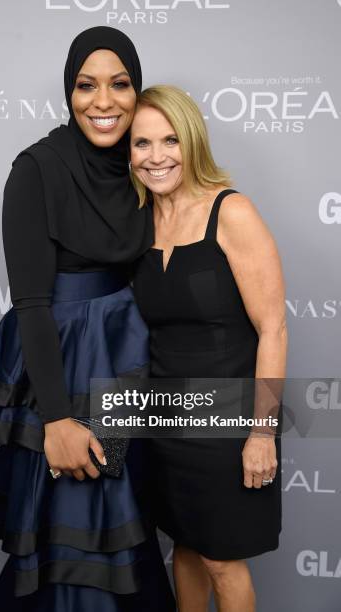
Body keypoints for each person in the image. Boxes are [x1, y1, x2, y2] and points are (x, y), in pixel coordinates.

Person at [0, 28, 175, 612]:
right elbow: (31, 304)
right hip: (64, 367)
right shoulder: (37, 169)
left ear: (138, 92)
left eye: (120, 84)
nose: (102, 101)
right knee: (71, 530)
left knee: (123, 528)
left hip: (127, 368)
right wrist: (57, 420)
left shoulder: (143, 166)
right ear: (69, 90)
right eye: (86, 85)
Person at [129, 85, 286, 612]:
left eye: (169, 140)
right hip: (165, 419)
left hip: (230, 424)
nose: (156, 157)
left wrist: (261, 433)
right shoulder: (138, 222)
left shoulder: (231, 211)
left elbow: (273, 330)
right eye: (141, 143)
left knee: (222, 559)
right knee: (185, 547)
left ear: (192, 141)